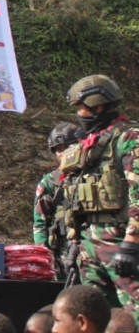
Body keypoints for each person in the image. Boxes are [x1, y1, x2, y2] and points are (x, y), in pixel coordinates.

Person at [61, 75, 139, 319]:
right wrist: (74, 243)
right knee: (95, 319)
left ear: (98, 105)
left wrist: (132, 242)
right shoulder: (86, 148)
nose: (79, 114)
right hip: (89, 249)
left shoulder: (127, 139)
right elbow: (75, 201)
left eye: (81, 108)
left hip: (121, 245)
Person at [33, 122, 79, 281]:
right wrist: (43, 256)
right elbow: (40, 222)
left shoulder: (91, 176)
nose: (62, 154)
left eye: (66, 147)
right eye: (58, 150)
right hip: (62, 252)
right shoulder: (50, 182)